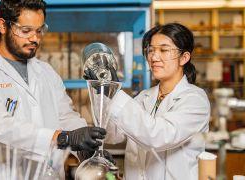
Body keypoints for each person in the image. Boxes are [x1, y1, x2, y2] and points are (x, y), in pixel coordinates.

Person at [0, 0, 107, 179]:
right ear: (3, 25)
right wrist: (63, 138)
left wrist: (87, 151)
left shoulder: (46, 72)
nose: (35, 38)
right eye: (25, 30)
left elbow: (66, 117)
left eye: (39, 30)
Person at [84, 23, 210, 180]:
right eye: (151, 50)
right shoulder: (144, 97)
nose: (154, 57)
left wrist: (115, 94)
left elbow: (157, 136)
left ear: (184, 57)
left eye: (163, 50)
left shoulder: (195, 100)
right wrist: (102, 92)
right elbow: (113, 135)